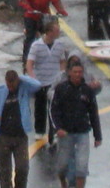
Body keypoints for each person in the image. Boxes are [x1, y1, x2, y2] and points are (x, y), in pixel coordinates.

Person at [0, 69, 43, 188]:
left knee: (22, 168)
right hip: (3, 136)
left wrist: (22, 77)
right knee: (4, 171)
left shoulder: (24, 89)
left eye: (13, 85)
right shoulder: (0, 91)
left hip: (20, 137)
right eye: (8, 85)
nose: (11, 88)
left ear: (17, 81)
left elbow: (37, 85)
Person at [51, 61, 102, 188]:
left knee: (82, 166)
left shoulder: (87, 90)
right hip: (66, 133)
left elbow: (93, 113)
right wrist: (57, 128)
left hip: (82, 132)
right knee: (62, 166)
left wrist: (98, 136)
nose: (78, 75)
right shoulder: (61, 88)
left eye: (80, 72)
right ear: (69, 73)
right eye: (75, 72)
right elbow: (53, 110)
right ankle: (63, 183)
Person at [26, 16, 67, 145]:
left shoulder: (60, 45)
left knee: (54, 108)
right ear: (49, 32)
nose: (59, 33)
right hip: (40, 81)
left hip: (54, 82)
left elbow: (62, 61)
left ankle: (53, 131)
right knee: (40, 106)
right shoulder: (36, 45)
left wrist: (61, 75)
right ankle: (39, 130)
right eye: (56, 31)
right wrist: (33, 78)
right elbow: (29, 63)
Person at [19, 0, 67, 64]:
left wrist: (61, 11)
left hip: (44, 16)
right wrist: (30, 9)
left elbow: (56, 0)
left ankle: (51, 55)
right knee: (30, 37)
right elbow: (23, 0)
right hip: (31, 16)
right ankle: (26, 59)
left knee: (50, 35)